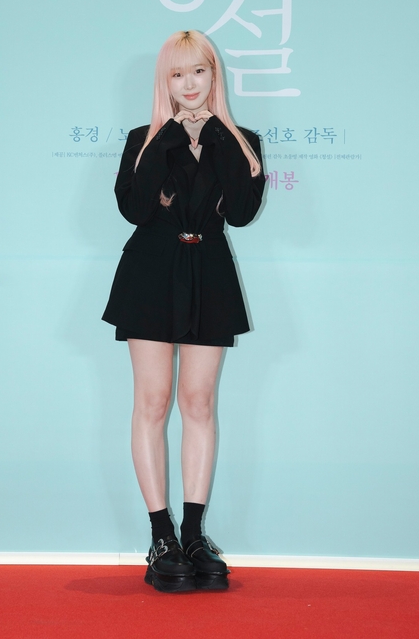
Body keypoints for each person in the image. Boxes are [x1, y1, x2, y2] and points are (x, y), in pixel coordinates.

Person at [102, 29, 265, 593]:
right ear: (164, 81)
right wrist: (171, 136)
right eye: (177, 73)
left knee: (199, 403)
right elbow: (133, 208)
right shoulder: (143, 140)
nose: (189, 83)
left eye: (199, 71)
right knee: (152, 402)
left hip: (209, 274)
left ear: (214, 75)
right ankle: (161, 537)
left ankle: (194, 536)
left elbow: (240, 212)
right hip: (150, 273)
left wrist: (216, 136)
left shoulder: (242, 141)